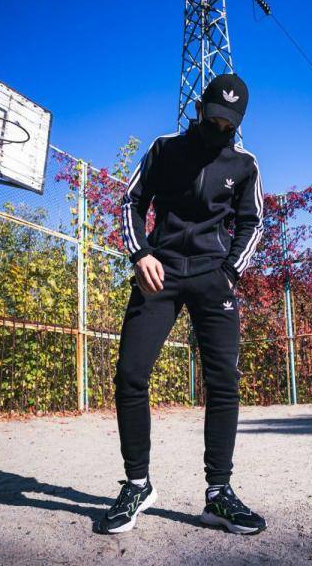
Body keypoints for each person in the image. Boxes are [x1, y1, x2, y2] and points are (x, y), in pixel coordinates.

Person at [95, 73, 266, 535]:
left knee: (223, 382)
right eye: (213, 120)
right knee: (131, 374)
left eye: (229, 126)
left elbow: (252, 223)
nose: (219, 130)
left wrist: (230, 273)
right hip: (160, 272)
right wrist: (140, 254)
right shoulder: (164, 149)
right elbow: (131, 201)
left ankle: (219, 495)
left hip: (214, 277)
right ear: (198, 109)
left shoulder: (244, 164)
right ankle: (137, 485)